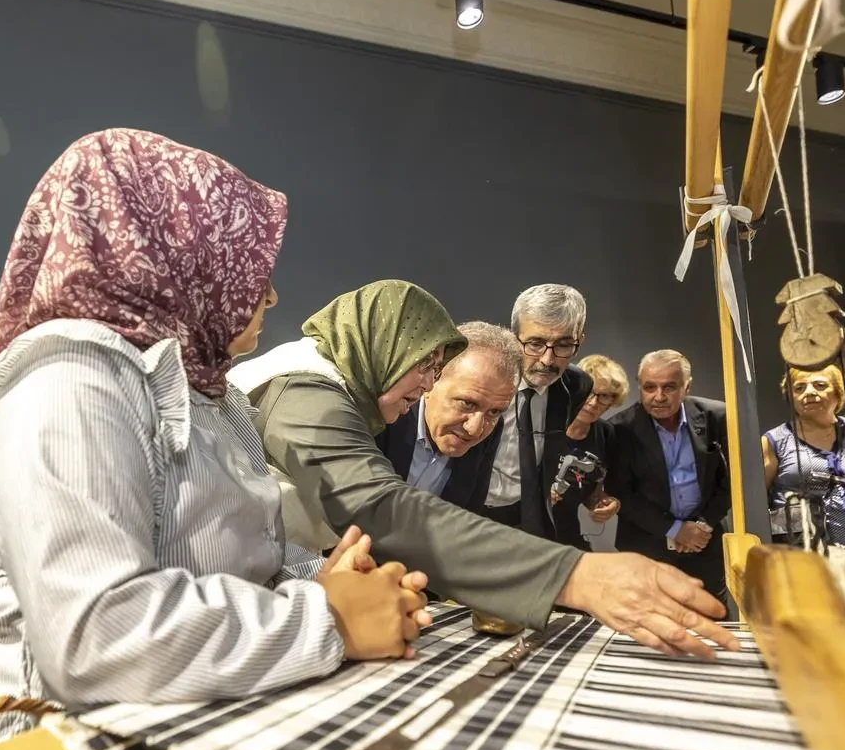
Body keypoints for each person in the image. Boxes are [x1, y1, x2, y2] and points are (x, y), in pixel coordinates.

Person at [0, 130, 430, 749]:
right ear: (173, 254)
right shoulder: (69, 383)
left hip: (181, 728)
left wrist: (336, 580)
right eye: (246, 263)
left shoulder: (209, 391)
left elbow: (241, 564)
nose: (270, 294)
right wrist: (328, 617)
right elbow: (95, 638)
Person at [231, 281, 738, 658]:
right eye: (425, 365)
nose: (426, 385)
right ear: (385, 346)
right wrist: (574, 576)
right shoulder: (305, 390)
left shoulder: (353, 396)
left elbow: (273, 541)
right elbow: (375, 503)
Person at [608, 350, 731, 605]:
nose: (659, 397)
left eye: (669, 387)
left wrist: (701, 527)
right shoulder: (620, 429)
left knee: (711, 625)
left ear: (687, 387)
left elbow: (732, 481)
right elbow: (622, 492)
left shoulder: (718, 417)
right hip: (646, 548)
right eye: (650, 387)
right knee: (649, 631)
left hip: (704, 545)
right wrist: (675, 530)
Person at [481, 285, 595, 541]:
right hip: (466, 514)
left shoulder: (577, 386)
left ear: (580, 341)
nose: (547, 360)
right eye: (535, 343)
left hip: (526, 522)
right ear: (513, 336)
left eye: (564, 345)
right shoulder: (482, 380)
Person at [376, 321, 518, 511]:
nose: (475, 429)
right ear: (432, 379)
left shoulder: (491, 428)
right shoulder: (384, 414)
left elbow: (467, 517)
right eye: (467, 403)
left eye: (494, 412)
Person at [763, 364, 845, 553]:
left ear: (838, 392)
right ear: (790, 397)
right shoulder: (774, 441)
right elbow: (759, 499)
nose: (809, 392)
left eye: (819, 385)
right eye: (799, 388)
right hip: (805, 550)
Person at [549, 354, 628, 550]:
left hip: (566, 536)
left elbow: (593, 490)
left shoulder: (605, 433)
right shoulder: (545, 421)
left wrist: (605, 504)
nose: (593, 403)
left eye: (603, 396)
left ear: (612, 401)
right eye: (589, 393)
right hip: (524, 534)